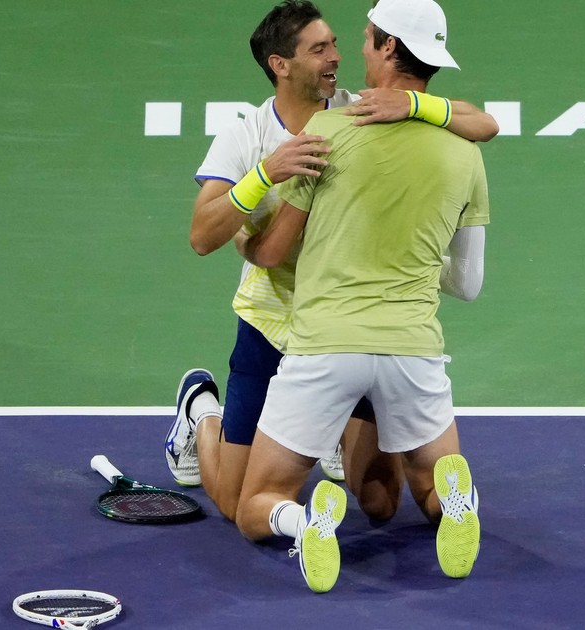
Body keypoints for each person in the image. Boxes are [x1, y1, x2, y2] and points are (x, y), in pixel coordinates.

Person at [165, 0, 499, 524]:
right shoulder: (246, 135)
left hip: (337, 325)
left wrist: (412, 105)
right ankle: (202, 412)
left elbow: (482, 121)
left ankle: (326, 432)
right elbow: (203, 237)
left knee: (379, 501)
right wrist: (266, 173)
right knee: (232, 504)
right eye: (319, 49)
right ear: (281, 64)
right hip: (272, 322)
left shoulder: (358, 111)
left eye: (338, 44)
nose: (337, 57)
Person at [234, 0, 488, 593]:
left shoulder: (326, 132)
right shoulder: (466, 152)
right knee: (425, 490)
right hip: (413, 351)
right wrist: (410, 254)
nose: (358, 48)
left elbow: (271, 252)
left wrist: (246, 238)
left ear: (389, 46)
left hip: (324, 348)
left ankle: (304, 523)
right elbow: (468, 284)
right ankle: (459, 502)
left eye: (369, 37)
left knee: (256, 503)